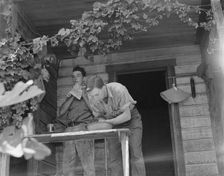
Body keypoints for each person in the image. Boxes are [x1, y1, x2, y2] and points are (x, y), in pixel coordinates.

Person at [86, 75, 146, 176]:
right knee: (114, 157)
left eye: (96, 95)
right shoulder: (93, 99)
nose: (94, 99)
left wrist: (109, 123)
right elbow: (99, 117)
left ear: (104, 87)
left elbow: (127, 116)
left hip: (131, 120)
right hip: (112, 123)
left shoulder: (118, 89)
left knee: (136, 153)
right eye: (92, 96)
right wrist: (101, 122)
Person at [57, 66, 95, 176]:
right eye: (73, 77)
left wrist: (83, 94)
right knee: (68, 166)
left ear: (84, 78)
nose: (75, 78)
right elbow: (61, 112)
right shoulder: (70, 95)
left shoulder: (90, 92)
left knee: (88, 164)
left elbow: (95, 110)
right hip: (69, 129)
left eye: (78, 75)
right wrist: (73, 95)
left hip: (83, 127)